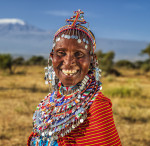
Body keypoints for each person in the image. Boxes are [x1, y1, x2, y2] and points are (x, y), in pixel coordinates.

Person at [27, 10, 121, 146]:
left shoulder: (97, 106)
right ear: (52, 57)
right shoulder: (49, 102)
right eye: (61, 53)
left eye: (79, 54)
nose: (69, 61)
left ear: (92, 60)